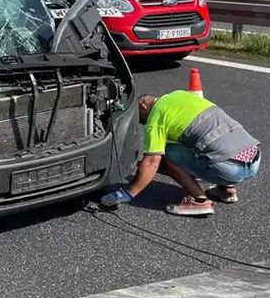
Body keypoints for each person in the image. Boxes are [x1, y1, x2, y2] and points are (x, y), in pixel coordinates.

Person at [101, 91, 261, 216]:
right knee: (208, 139)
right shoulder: (179, 96)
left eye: (140, 118)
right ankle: (226, 190)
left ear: (143, 105)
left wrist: (128, 193)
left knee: (165, 153)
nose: (143, 123)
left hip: (230, 169)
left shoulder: (156, 115)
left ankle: (199, 201)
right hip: (253, 158)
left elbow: (152, 162)